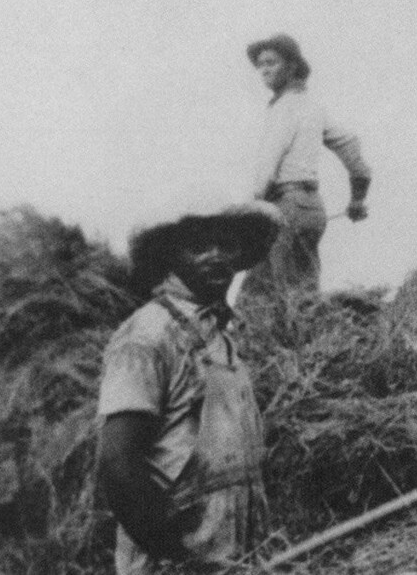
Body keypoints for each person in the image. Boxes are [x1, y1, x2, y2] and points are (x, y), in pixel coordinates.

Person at [97, 201, 283, 574]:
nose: (215, 256)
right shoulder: (148, 336)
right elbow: (118, 465)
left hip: (233, 557)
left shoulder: (222, 338)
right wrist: (176, 558)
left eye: (227, 245)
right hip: (172, 562)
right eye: (198, 246)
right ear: (170, 254)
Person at [238, 33, 372, 304]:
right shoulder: (313, 107)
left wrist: (250, 212)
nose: (263, 70)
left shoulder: (284, 107)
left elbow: (267, 165)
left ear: (292, 66)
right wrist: (357, 200)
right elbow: (352, 147)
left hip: (285, 209)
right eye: (260, 64)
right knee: (297, 295)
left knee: (263, 301)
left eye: (271, 62)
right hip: (311, 211)